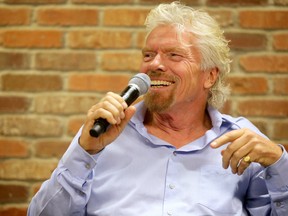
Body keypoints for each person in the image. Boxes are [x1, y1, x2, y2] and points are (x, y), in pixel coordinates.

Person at [28, 2, 288, 215]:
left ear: (209, 76)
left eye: (174, 55)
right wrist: (84, 152)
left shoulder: (242, 142)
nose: (155, 64)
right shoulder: (102, 134)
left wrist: (279, 162)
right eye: (148, 55)